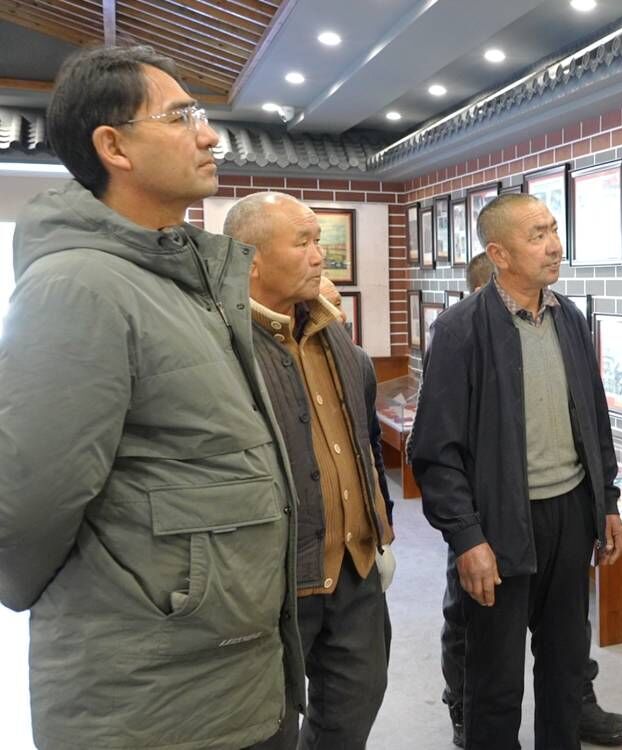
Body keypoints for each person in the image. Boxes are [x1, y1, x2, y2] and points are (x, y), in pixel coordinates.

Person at [0, 45, 302, 748]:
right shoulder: (80, 287)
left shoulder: (181, 280)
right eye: (181, 117)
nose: (209, 135)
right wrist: (162, 593)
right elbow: (27, 506)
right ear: (114, 147)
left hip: (227, 673)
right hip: (154, 693)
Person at [410, 193, 622, 750]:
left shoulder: (568, 318)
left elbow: (594, 418)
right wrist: (466, 538)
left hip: (570, 516)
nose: (554, 245)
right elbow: (435, 451)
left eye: (553, 229)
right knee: (495, 681)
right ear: (500, 254)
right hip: (499, 522)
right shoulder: (461, 330)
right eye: (537, 235)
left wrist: (607, 501)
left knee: (566, 667)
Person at [225, 192, 397, 749]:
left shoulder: (336, 336)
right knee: (266, 728)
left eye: (318, 241)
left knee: (352, 710)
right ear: (250, 258)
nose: (320, 256)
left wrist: (382, 526)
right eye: (302, 242)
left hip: (354, 569)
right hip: (273, 584)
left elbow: (364, 443)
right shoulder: (221, 344)